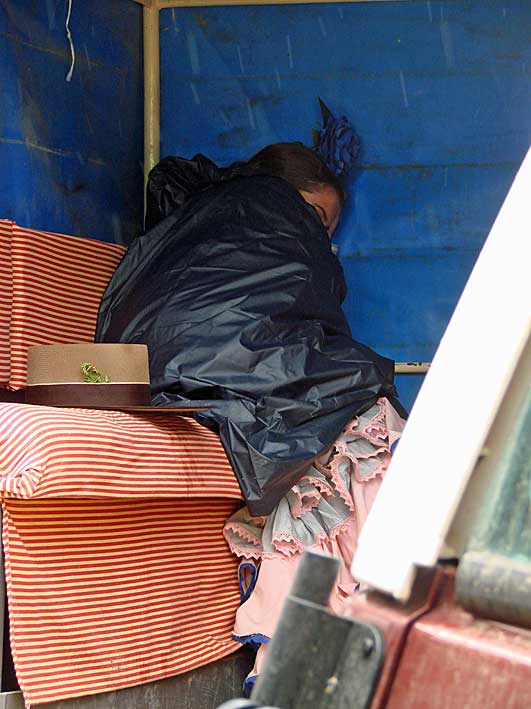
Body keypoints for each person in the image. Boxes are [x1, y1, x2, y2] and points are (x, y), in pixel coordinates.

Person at [95, 141, 405, 685]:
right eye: (320, 218)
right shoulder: (269, 208)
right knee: (369, 410)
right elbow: (298, 311)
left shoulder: (193, 211)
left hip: (144, 369)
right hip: (228, 359)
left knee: (342, 414)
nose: (323, 238)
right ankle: (381, 594)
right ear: (294, 194)